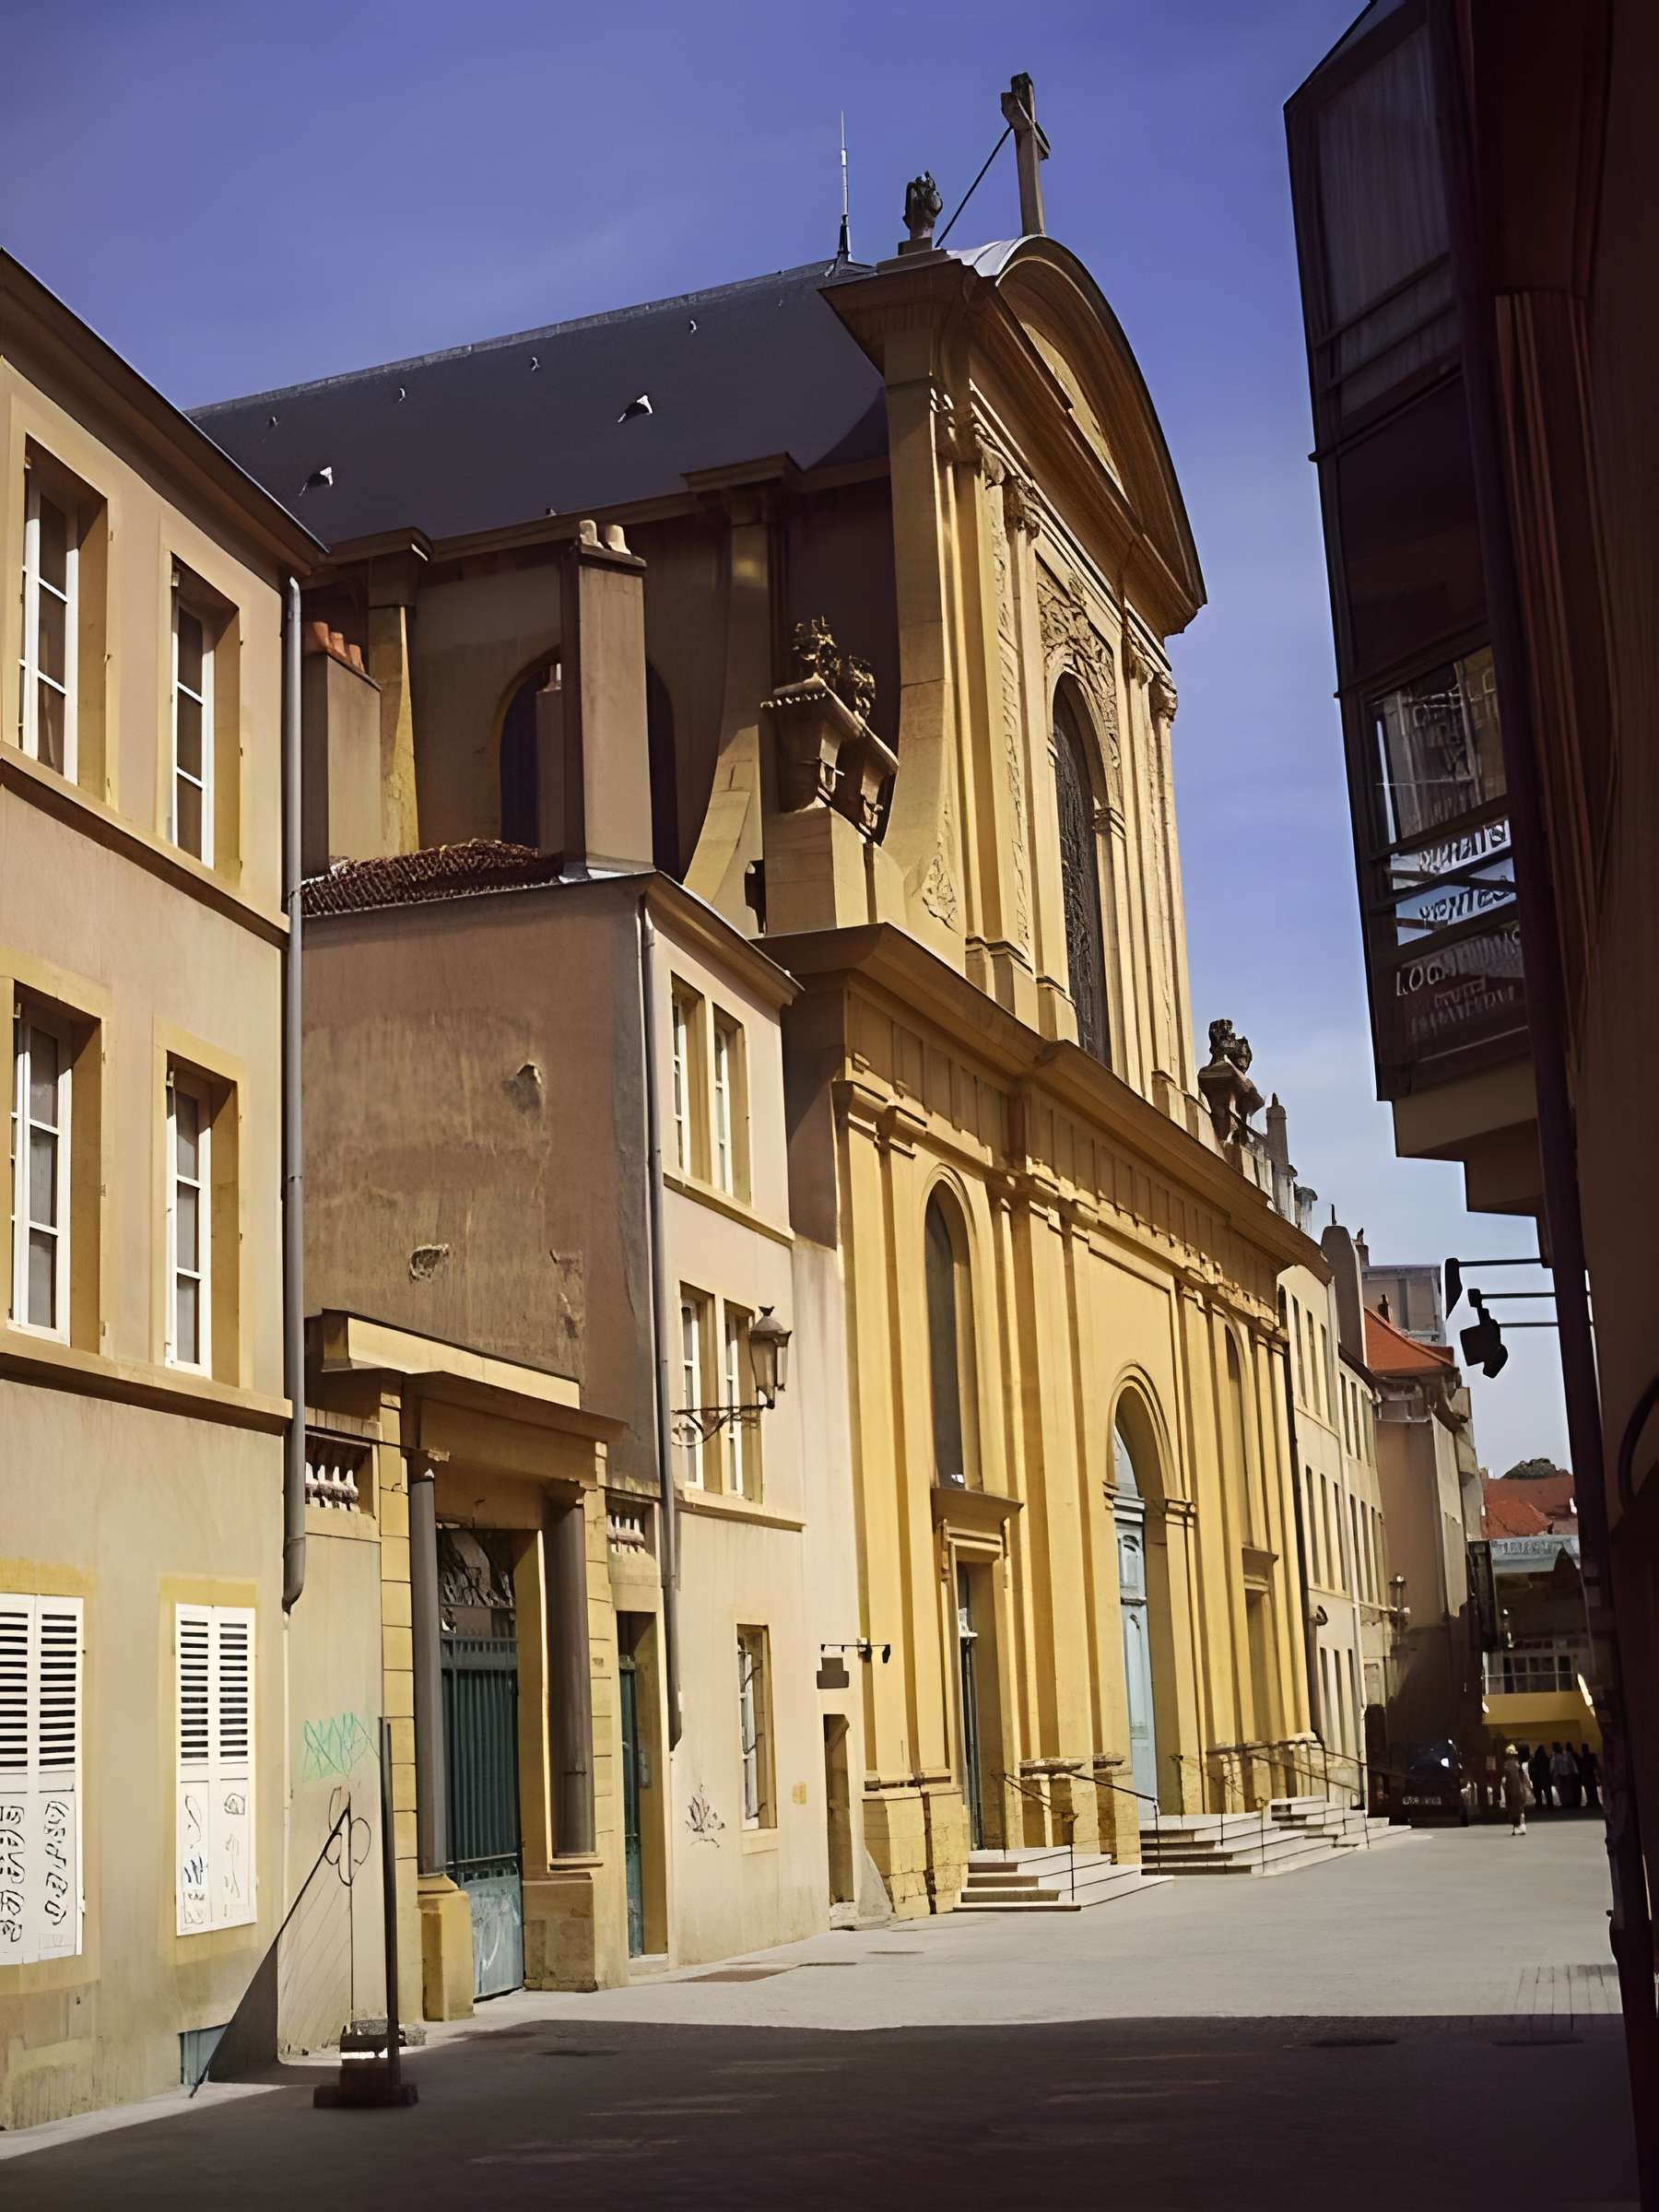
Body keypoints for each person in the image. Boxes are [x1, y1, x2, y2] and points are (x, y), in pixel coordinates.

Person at [1500, 1743, 1530, 1836]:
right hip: (1519, 1789)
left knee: (1513, 1809)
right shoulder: (1518, 1764)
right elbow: (1523, 1777)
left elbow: (1505, 1780)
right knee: (1520, 1808)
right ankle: (1522, 1826)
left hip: (1511, 1789)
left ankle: (1516, 1827)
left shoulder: (1507, 1765)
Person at [1552, 1741, 1581, 1811]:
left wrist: (1575, 1772)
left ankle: (1569, 1802)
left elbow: (1572, 1763)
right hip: (1560, 1775)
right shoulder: (1555, 1757)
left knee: (1569, 1788)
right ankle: (1564, 1803)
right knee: (1561, 1789)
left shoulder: (1567, 1754)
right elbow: (1554, 1767)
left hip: (1568, 1774)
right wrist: (1555, 1775)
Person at [1530, 1740, 1554, 1810]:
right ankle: (1550, 1805)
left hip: (1537, 1779)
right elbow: (1550, 1769)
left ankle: (1539, 1805)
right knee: (1548, 1793)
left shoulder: (1533, 1761)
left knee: (1538, 1794)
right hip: (1545, 1778)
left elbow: (1531, 1771)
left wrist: (1532, 1779)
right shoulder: (1546, 1759)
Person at [1578, 1743, 1601, 1810]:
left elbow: (1581, 1768)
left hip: (1586, 1775)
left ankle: (1590, 1802)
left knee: (1588, 1789)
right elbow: (1596, 1765)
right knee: (1593, 1789)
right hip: (1591, 1775)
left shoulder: (1582, 1758)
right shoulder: (1592, 1756)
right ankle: (1595, 1802)